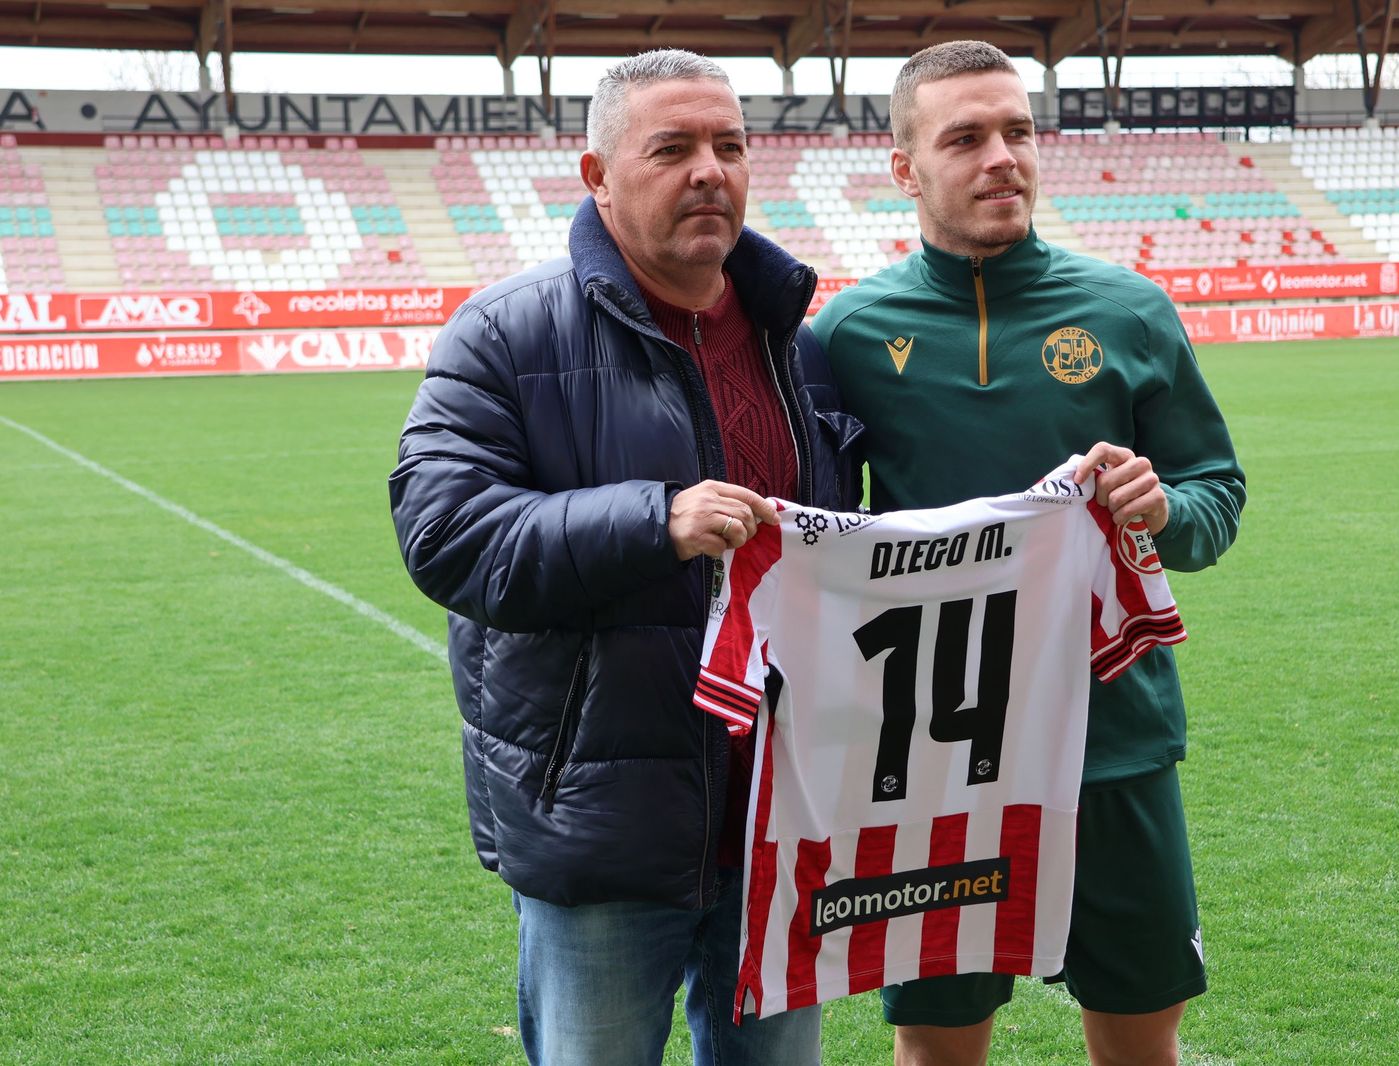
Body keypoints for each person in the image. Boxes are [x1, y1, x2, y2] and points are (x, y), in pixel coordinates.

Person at [389, 49, 859, 1066]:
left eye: (730, 146)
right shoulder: (504, 334)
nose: (709, 171)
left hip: (779, 825)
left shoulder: (800, 345)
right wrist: (654, 519)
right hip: (601, 825)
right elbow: (445, 535)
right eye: (673, 148)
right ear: (597, 176)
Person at [809, 40, 1246, 1066]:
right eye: (965, 137)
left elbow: (1215, 497)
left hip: (1115, 734)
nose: (1001, 155)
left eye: (1017, 130)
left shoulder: (1127, 312)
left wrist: (1161, 509)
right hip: (933, 760)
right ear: (904, 168)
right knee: (938, 1043)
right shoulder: (848, 335)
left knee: (1140, 1037)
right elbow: (824, 530)